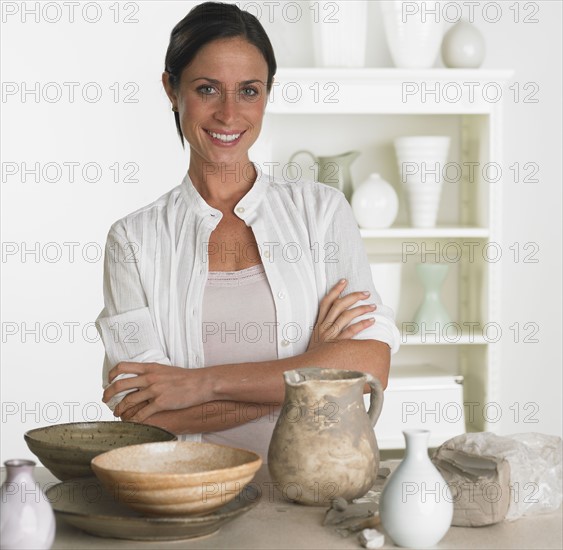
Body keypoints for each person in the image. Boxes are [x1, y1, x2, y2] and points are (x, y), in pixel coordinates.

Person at [96, 1, 400, 461]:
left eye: (249, 91)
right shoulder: (134, 241)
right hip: (189, 494)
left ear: (267, 95)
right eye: (207, 89)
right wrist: (310, 371)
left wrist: (199, 385)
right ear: (171, 89)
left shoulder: (321, 213)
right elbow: (143, 412)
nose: (229, 113)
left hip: (314, 489)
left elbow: (370, 365)